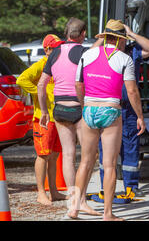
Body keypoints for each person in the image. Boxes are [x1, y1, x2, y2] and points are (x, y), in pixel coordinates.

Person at [69, 19, 146, 221]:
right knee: (110, 164)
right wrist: (139, 116)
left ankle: (74, 208)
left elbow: (78, 84)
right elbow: (131, 91)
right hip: (111, 110)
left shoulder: (87, 55)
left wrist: (84, 104)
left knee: (85, 162)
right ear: (120, 40)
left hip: (89, 109)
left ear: (104, 37)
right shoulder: (124, 58)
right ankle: (108, 214)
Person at [37, 17, 100, 216]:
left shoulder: (54, 53)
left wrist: (44, 111)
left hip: (59, 109)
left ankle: (73, 201)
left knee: (68, 155)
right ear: (82, 35)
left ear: (66, 34)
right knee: (90, 155)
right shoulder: (83, 52)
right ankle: (81, 200)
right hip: (79, 108)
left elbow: (41, 85)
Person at [96, 23, 149, 200]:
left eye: (118, 39)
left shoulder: (132, 52)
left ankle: (131, 186)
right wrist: (104, 38)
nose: (116, 42)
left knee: (130, 148)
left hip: (128, 109)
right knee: (107, 149)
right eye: (112, 38)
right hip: (108, 106)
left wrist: (131, 33)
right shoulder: (100, 53)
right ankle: (106, 186)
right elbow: (89, 53)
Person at [16, 34, 66, 206]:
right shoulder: (41, 65)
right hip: (43, 118)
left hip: (58, 117)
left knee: (53, 156)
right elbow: (21, 79)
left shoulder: (59, 65)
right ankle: (41, 193)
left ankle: (53, 192)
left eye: (60, 47)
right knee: (43, 155)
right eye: (55, 47)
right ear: (47, 50)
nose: (58, 50)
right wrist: (39, 93)